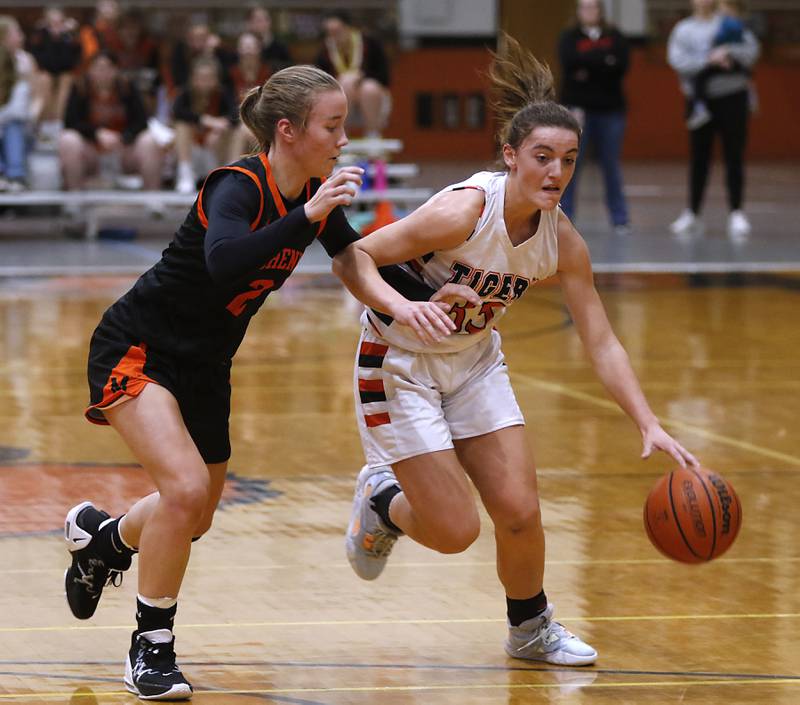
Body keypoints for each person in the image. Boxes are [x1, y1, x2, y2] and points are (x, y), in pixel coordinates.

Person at [63, 64, 466, 700]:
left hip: (206, 365)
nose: (343, 138)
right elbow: (224, 262)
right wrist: (308, 212)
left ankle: (105, 540)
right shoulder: (238, 185)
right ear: (288, 129)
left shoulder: (313, 193)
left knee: (193, 513)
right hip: (140, 348)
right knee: (184, 490)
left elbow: (351, 259)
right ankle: (151, 648)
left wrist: (406, 302)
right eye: (332, 125)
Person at [332, 34, 699, 667]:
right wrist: (406, 304)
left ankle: (530, 629)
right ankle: (381, 500)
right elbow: (354, 254)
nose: (556, 172)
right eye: (542, 157)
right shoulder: (463, 213)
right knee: (455, 531)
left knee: (522, 512)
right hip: (397, 364)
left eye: (568, 160)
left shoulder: (564, 242)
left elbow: (602, 340)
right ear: (511, 157)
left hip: (474, 363)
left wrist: (647, 421)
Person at [667, 0, 759, 241]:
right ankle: (693, 213)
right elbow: (677, 60)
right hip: (700, 102)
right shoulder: (684, 29)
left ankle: (737, 213)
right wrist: (708, 60)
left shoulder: (730, 23)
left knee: (734, 155)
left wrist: (728, 52)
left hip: (732, 97)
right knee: (699, 158)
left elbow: (751, 51)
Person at [558, 0, 630, 235]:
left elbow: (621, 66)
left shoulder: (615, 36)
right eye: (584, 7)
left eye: (593, 7)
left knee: (611, 165)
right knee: (571, 164)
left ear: (600, 11)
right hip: (578, 111)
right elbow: (569, 65)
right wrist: (603, 61)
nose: (589, 12)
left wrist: (588, 66)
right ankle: (565, 217)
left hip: (611, 110)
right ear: (578, 12)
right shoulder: (569, 37)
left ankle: (620, 218)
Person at [58, 51, 163, 190]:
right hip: (91, 150)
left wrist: (124, 137)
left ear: (115, 70)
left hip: (123, 148)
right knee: (68, 139)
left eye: (108, 68)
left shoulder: (127, 88)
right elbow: (70, 122)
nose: (103, 73)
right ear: (90, 70)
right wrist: (96, 134)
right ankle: (74, 200)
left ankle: (153, 200)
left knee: (149, 140)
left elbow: (141, 121)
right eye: (98, 68)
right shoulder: (79, 88)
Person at [315, 11, 390, 138]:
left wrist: (362, 76)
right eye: (330, 32)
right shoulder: (325, 49)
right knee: (345, 83)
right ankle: (341, 134)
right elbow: (318, 80)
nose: (334, 36)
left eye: (337, 31)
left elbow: (384, 77)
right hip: (339, 97)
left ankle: (373, 134)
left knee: (369, 88)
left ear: (348, 28)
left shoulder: (370, 43)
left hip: (371, 98)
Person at [172, 56, 239, 193]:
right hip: (192, 149)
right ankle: (185, 174)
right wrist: (204, 119)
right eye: (201, 78)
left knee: (231, 131)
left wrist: (217, 129)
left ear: (216, 79)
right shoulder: (186, 94)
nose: (205, 82)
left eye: (209, 78)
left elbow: (236, 115)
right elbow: (177, 112)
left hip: (214, 149)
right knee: (181, 126)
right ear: (193, 78)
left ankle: (226, 175)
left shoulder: (223, 94)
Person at [245, 6, 292, 73]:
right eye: (257, 20)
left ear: (269, 22)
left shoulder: (280, 46)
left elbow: (287, 68)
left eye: (265, 19)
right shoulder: (245, 46)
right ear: (250, 23)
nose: (262, 23)